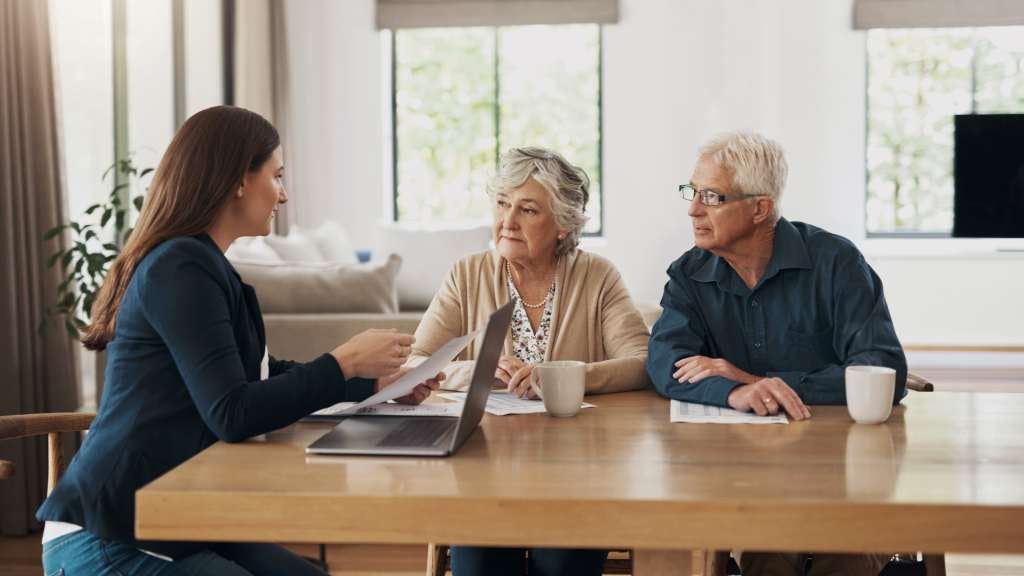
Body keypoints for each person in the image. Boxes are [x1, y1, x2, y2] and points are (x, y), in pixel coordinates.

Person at [36, 105, 441, 576]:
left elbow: (258, 377)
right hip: (111, 533)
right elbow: (232, 412)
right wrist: (343, 362)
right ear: (238, 180)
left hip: (172, 521)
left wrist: (374, 386)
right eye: (277, 175)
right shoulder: (181, 267)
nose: (284, 194)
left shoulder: (203, 264)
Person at [646, 131, 905, 575]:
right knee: (766, 559)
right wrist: (733, 393)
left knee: (845, 560)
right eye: (692, 192)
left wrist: (752, 380)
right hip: (743, 473)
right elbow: (666, 363)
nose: (693, 208)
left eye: (712, 196)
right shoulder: (689, 274)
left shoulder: (836, 262)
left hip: (841, 467)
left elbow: (881, 370)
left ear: (759, 208)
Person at [411, 147, 650, 576]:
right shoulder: (466, 274)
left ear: (562, 225)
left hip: (577, 472)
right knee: (482, 564)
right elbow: (417, 361)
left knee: (561, 564)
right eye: (502, 204)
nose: (507, 220)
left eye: (527, 209)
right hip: (482, 470)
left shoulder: (598, 276)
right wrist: (476, 372)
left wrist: (564, 376)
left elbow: (640, 361)